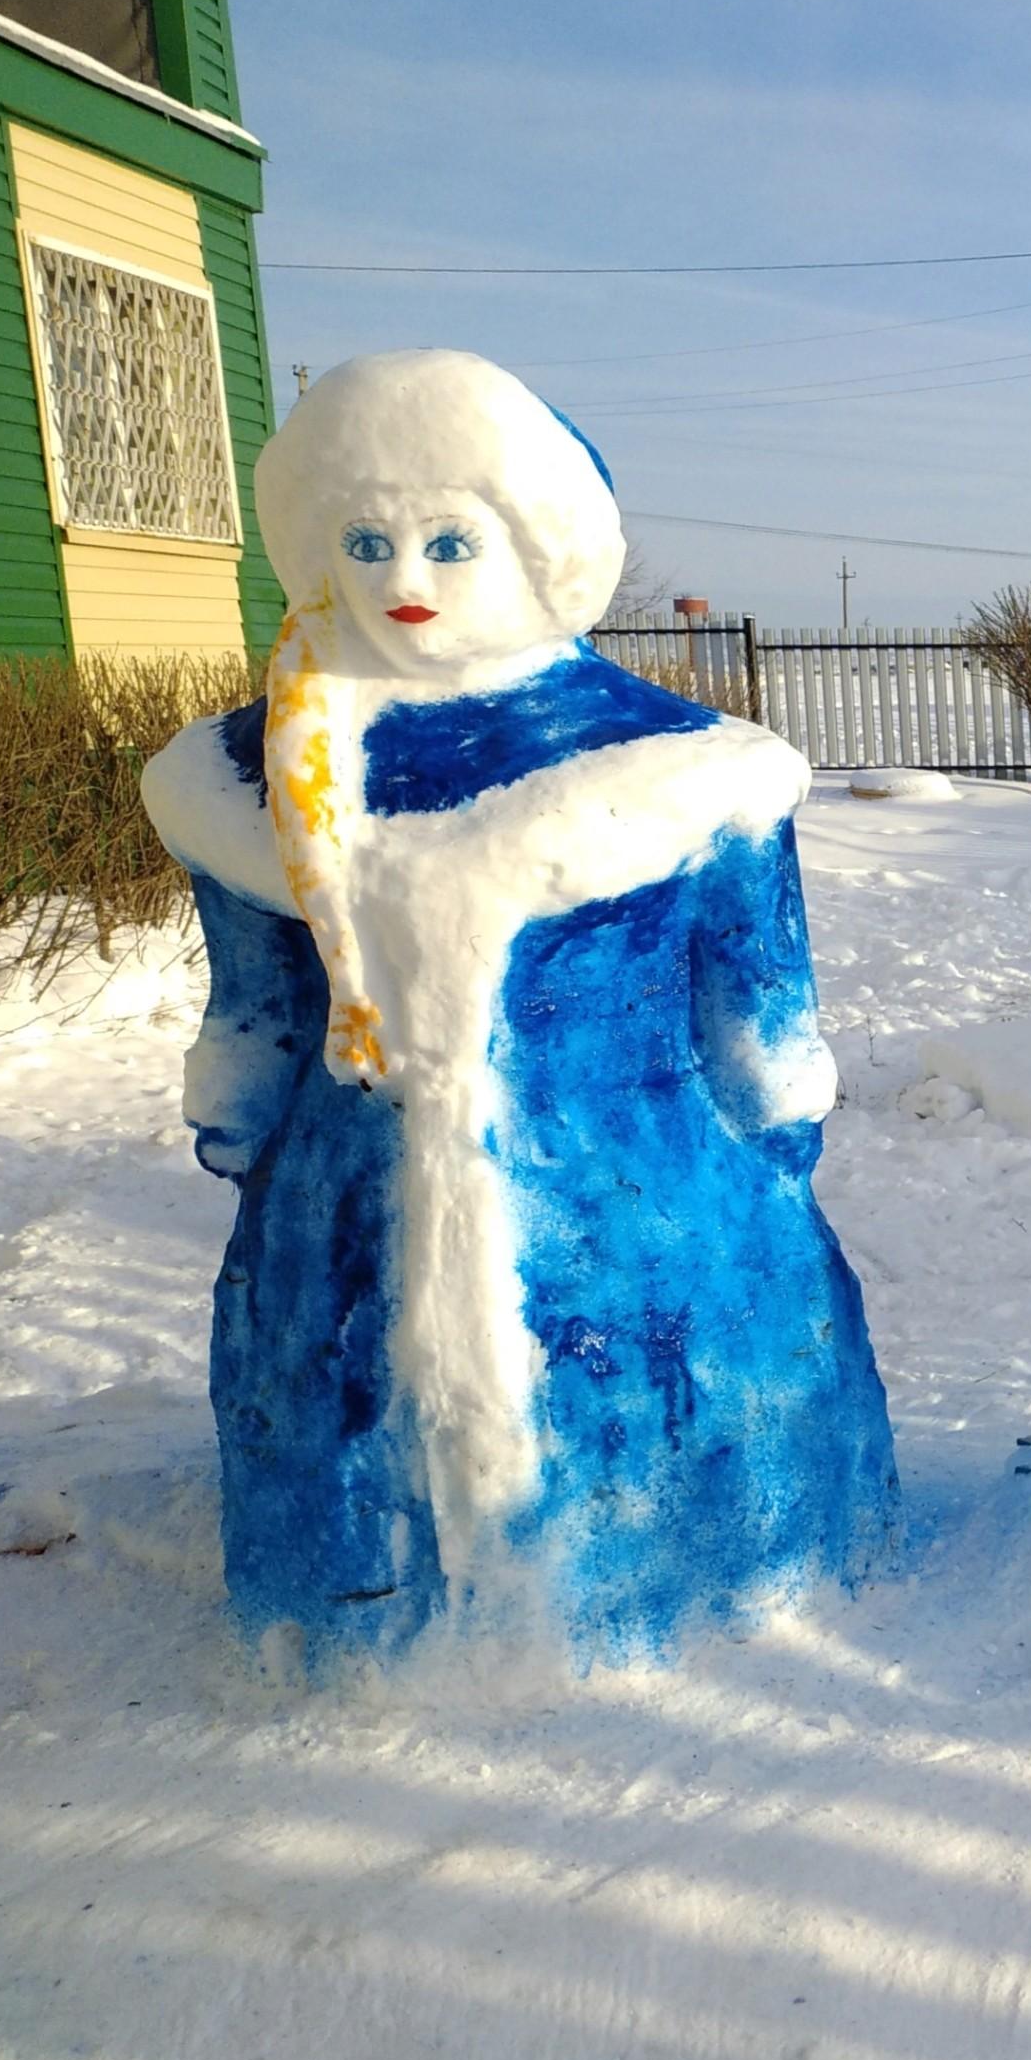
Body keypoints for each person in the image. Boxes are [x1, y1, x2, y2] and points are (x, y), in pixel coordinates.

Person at [141, 349, 896, 1667]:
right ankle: (357, 1617)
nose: (405, 585)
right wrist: (245, 1106)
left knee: (667, 1415)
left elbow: (757, 999)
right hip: (343, 1208)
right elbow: (254, 1004)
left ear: (541, 546)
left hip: (644, 1205)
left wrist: (775, 1121)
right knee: (348, 1422)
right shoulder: (241, 775)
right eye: (364, 541)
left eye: (449, 540)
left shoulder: (682, 770)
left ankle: (695, 1584)